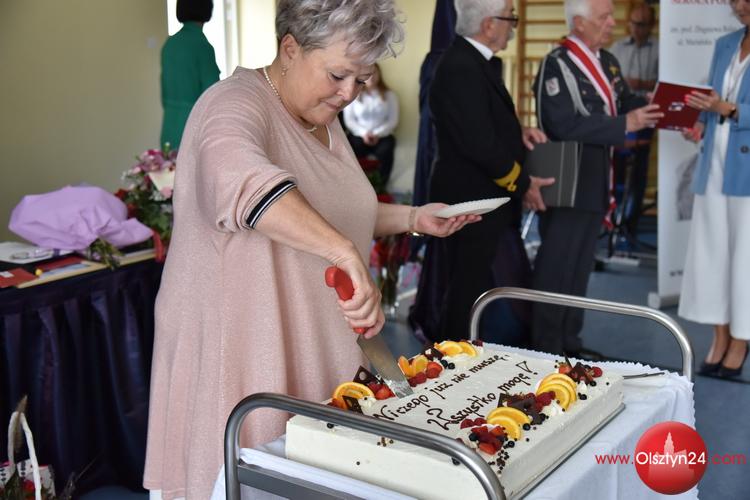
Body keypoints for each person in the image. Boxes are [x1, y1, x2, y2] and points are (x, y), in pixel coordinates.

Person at [143, 1, 479, 498]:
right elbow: (244, 183)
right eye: (338, 75)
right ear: (290, 48)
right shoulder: (232, 104)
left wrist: (412, 219)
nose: (349, 93)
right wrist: (343, 252)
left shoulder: (321, 115)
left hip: (314, 342)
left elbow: (331, 211)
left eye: (362, 79)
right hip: (245, 351)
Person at [410, 0, 552, 344]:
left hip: (480, 195)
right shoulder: (461, 66)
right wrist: (523, 184)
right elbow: (480, 144)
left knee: (472, 283)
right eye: (510, 18)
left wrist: (518, 133)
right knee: (466, 286)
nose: (513, 25)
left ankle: (462, 350)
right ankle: (452, 355)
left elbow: (479, 123)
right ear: (489, 25)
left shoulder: (471, 61)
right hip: (471, 198)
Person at [530, 0, 662, 357]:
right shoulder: (557, 64)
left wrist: (659, 103)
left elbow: (625, 100)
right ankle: (545, 347)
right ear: (579, 23)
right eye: (603, 17)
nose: (611, 23)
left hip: (597, 177)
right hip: (565, 177)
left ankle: (569, 344)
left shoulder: (608, 61)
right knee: (556, 266)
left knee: (580, 267)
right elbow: (561, 124)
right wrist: (624, 124)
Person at [679, 0, 750, 378]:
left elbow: (726, 105)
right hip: (713, 166)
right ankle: (719, 336)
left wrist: (732, 110)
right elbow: (712, 102)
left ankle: (741, 340)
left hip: (746, 172)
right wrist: (699, 123)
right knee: (712, 255)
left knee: (745, 259)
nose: (740, 6)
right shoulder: (725, 44)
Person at [609, 2, 659, 237]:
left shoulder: (660, 48)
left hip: (647, 114)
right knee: (616, 169)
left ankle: (630, 225)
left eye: (643, 24)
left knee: (639, 171)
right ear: (628, 23)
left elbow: (666, 83)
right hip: (621, 114)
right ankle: (613, 220)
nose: (638, 28)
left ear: (652, 25)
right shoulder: (617, 48)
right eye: (634, 23)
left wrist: (644, 84)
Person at [160, 0, 220, 149]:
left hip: (169, 126)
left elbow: (164, 90)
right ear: (207, 8)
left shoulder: (169, 44)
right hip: (193, 127)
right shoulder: (202, 46)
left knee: (167, 163)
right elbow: (213, 94)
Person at [343, 63, 399, 186]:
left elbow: (392, 121)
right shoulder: (353, 94)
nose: (371, 77)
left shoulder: (390, 95)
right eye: (368, 74)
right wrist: (364, 133)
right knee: (352, 147)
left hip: (382, 136)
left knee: (387, 149)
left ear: (379, 75)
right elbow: (349, 120)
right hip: (359, 135)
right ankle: (355, 185)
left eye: (374, 74)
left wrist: (377, 134)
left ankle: (380, 186)